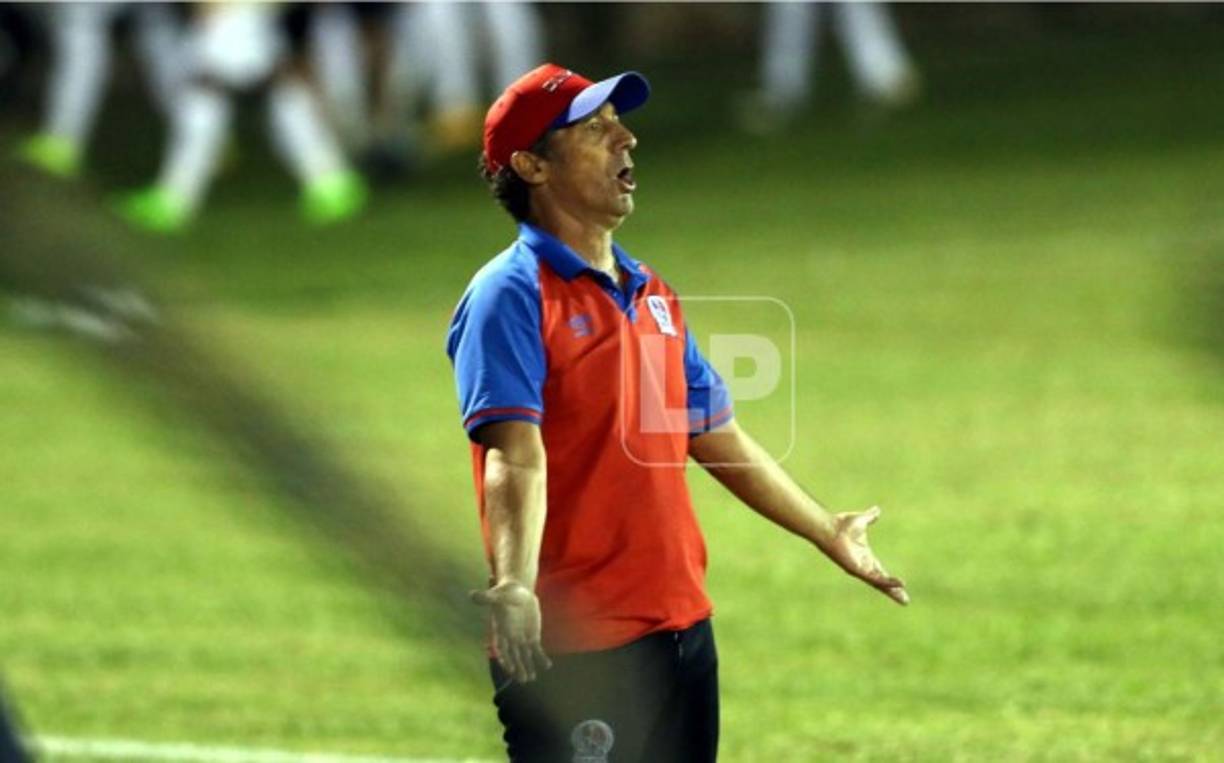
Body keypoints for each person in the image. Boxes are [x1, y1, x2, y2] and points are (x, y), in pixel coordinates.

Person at [446, 63, 909, 761]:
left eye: (619, 122)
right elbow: (515, 454)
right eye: (594, 128)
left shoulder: (649, 292)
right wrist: (513, 581)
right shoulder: (510, 296)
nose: (625, 138)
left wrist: (825, 530)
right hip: (578, 646)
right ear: (531, 166)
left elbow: (712, 432)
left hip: (681, 625)